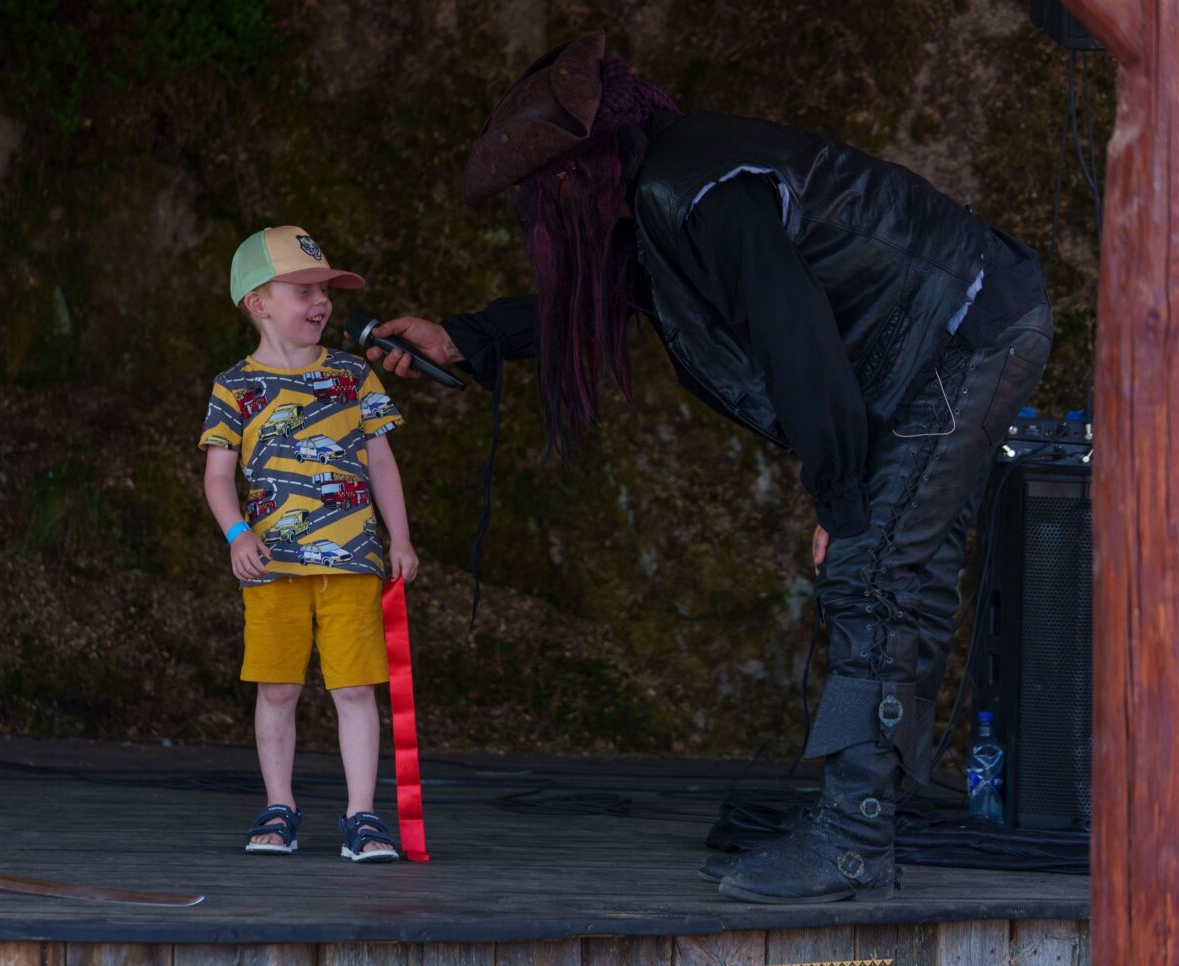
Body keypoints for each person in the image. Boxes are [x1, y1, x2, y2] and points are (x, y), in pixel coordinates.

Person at [369, 32, 1052, 902]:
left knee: (871, 569)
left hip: (964, 332)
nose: (539, 223)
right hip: (955, 330)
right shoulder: (665, 190)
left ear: (584, 176)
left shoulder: (700, 194)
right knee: (895, 570)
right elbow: (614, 294)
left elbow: (796, 339)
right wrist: (464, 337)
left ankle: (851, 843)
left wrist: (838, 493)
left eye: (543, 200)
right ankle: (869, 823)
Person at [200, 225, 419, 863]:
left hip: (352, 560)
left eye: (325, 288)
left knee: (355, 689)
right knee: (277, 689)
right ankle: (279, 806)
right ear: (257, 303)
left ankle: (363, 817)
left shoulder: (352, 376)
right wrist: (237, 532)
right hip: (272, 566)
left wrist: (399, 538)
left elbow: (381, 461)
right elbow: (217, 476)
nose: (320, 300)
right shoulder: (233, 387)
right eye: (303, 289)